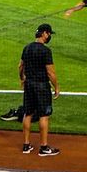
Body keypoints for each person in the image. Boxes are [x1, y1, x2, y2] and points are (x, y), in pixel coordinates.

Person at [19, 22, 60, 157]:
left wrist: (22, 79)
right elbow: (50, 72)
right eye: (49, 33)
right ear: (44, 33)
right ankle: (43, 147)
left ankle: (26, 145)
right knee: (44, 115)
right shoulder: (45, 51)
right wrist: (57, 87)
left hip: (29, 85)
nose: (49, 36)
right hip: (42, 86)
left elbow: (20, 66)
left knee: (28, 113)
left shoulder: (27, 48)